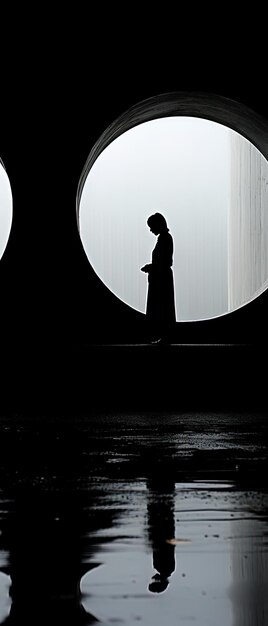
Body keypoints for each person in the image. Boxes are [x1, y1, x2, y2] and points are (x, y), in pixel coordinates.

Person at [141, 212, 176, 344]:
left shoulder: (165, 238)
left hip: (161, 279)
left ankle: (164, 336)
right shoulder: (165, 238)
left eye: (151, 226)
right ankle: (164, 336)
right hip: (161, 277)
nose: (150, 230)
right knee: (163, 307)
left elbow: (165, 262)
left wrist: (151, 267)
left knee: (162, 307)